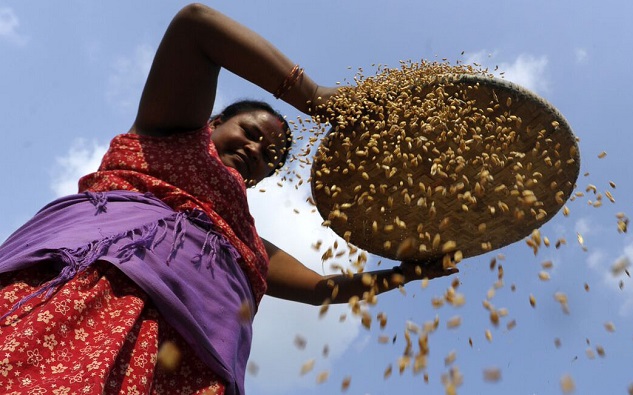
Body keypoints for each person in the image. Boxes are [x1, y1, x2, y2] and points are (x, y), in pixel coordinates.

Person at [0, 4, 456, 395]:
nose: (256, 150)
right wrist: (316, 99)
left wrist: (408, 273)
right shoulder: (167, 137)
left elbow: (324, 289)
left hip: (191, 367)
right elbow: (197, 25)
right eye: (251, 133)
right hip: (94, 298)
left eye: (269, 157)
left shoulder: (246, 243)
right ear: (215, 121)